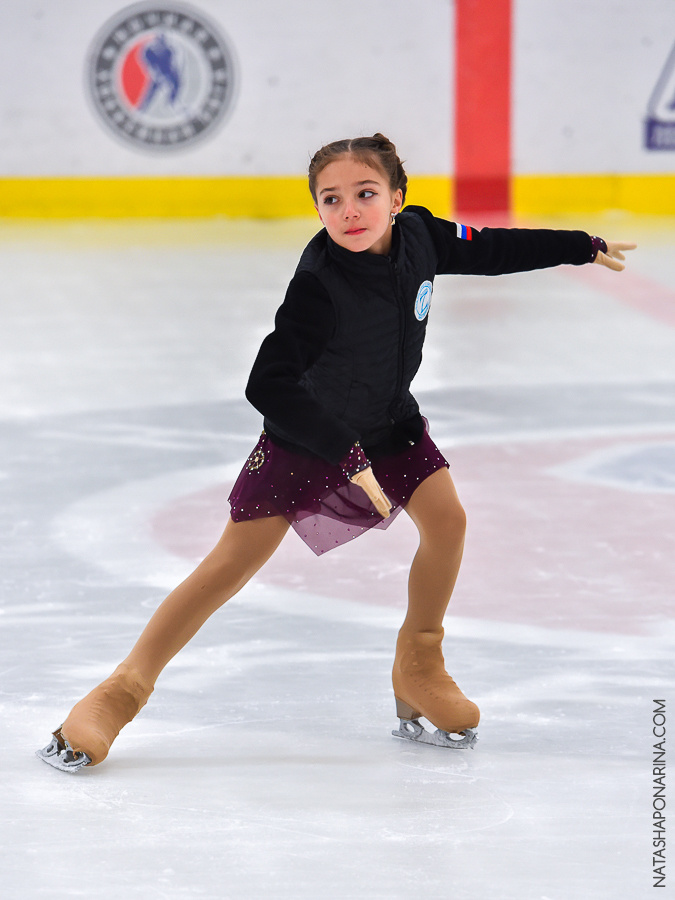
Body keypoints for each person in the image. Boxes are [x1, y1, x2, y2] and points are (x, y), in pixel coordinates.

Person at [37, 133, 636, 770]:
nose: (349, 210)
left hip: (389, 425)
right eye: (331, 199)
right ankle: (121, 691)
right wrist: (345, 456)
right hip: (308, 440)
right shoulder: (317, 287)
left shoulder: (423, 237)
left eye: (365, 194)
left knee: (449, 522)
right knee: (231, 564)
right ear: (317, 209)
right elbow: (267, 384)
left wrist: (581, 246)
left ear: (398, 199)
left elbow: (492, 248)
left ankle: (419, 662)